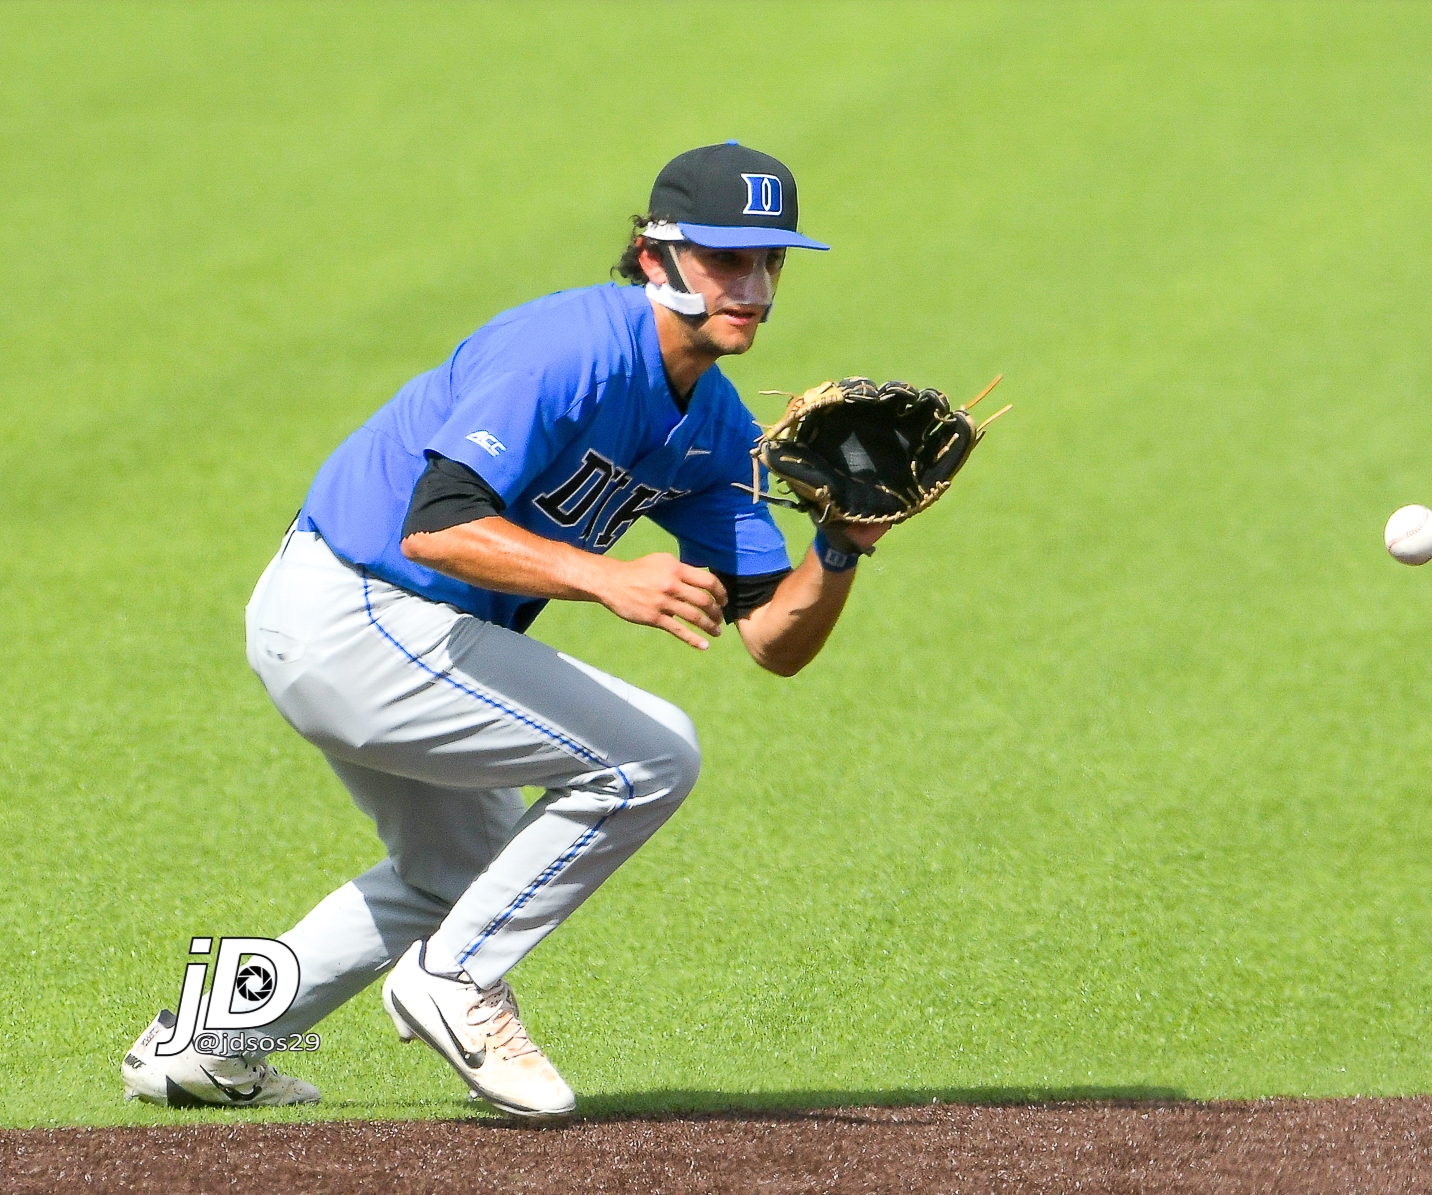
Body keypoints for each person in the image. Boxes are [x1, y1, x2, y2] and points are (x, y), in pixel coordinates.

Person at [121, 142, 884, 1118]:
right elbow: (434, 524)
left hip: (396, 633)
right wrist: (606, 579)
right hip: (350, 608)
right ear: (655, 259)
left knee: (468, 874)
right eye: (725, 257)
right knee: (648, 758)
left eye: (770, 260)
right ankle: (456, 982)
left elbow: (774, 638)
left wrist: (841, 544)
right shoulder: (564, 348)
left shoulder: (715, 427)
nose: (754, 283)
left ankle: (207, 1042)